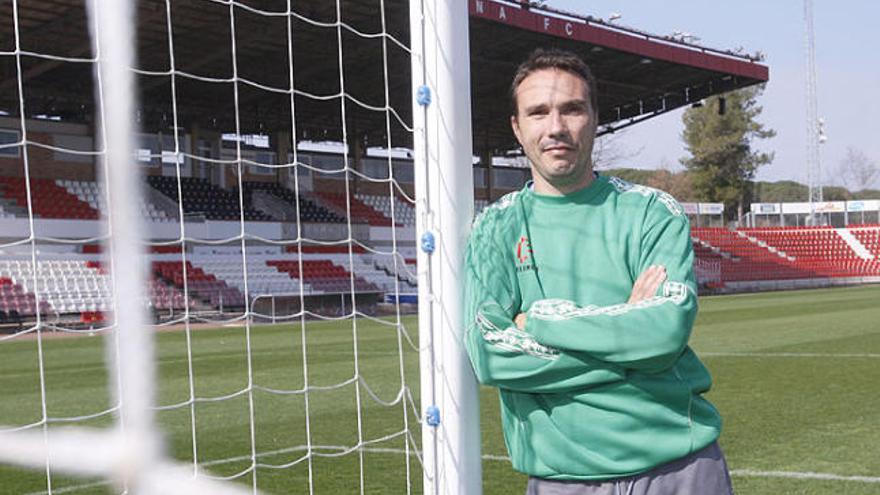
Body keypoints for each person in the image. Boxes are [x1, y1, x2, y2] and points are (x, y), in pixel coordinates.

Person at [463, 48, 733, 494]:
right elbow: (490, 354)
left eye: (572, 109)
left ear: (594, 117)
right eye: (538, 112)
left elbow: (662, 334)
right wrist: (626, 338)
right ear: (517, 126)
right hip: (562, 480)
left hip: (679, 470)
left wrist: (542, 321)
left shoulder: (652, 212)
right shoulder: (495, 227)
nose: (556, 127)